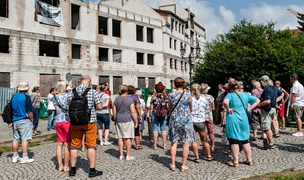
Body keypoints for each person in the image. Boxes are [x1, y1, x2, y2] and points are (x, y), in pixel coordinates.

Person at [67, 75, 103, 177]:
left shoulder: (72, 92)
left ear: (80, 81)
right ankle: (92, 171)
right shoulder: (92, 91)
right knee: (91, 145)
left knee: (74, 145)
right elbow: (99, 106)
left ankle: (72, 170)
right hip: (90, 122)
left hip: (75, 122)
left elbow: (67, 106)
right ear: (89, 81)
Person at [223, 80, 260, 167]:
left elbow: (225, 102)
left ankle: (235, 161)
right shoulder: (246, 94)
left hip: (233, 119)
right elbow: (258, 100)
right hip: (243, 118)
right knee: (245, 140)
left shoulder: (230, 95)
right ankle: (249, 160)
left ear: (230, 88)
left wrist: (228, 109)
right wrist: (249, 108)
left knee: (234, 140)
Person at [168, 77, 196, 172]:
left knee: (174, 142)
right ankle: (183, 165)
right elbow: (191, 108)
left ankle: (173, 164)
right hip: (186, 120)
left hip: (175, 120)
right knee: (186, 142)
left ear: (174, 84)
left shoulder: (171, 95)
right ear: (183, 84)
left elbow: (169, 108)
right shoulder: (188, 95)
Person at [113, 84, 138, 160]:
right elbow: (133, 112)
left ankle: (121, 154)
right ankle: (128, 155)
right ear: (127, 90)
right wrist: (136, 121)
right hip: (128, 119)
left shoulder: (116, 99)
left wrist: (115, 119)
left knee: (120, 137)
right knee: (128, 137)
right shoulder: (130, 100)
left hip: (119, 119)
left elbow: (114, 111)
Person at [11, 82, 35, 164]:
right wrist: (32, 119)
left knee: (15, 138)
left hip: (15, 119)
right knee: (25, 139)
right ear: (26, 89)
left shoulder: (14, 96)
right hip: (24, 119)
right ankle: (25, 157)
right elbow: (29, 111)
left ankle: (15, 156)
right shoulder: (26, 97)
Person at [258, 75, 283, 150]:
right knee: (267, 125)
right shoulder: (275, 88)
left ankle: (271, 143)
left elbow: (267, 101)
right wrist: (275, 101)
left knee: (266, 127)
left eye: (261, 81)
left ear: (263, 81)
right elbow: (282, 94)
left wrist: (259, 105)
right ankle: (265, 139)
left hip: (267, 110)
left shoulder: (267, 90)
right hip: (273, 109)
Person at [53, 80, 71, 172]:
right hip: (66, 121)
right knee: (67, 144)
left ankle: (59, 165)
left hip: (58, 121)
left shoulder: (54, 97)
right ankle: (66, 165)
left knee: (59, 144)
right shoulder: (67, 96)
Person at [191, 83, 211, 162]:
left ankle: (197, 157)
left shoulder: (190, 98)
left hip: (192, 120)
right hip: (201, 120)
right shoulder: (204, 99)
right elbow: (207, 109)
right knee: (204, 140)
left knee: (194, 140)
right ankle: (209, 156)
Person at [149, 83, 169, 150]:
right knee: (163, 130)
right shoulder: (165, 97)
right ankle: (164, 144)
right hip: (163, 114)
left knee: (155, 130)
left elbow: (151, 108)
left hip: (155, 114)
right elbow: (167, 107)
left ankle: (155, 145)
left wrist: (150, 116)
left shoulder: (153, 97)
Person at [201, 83, 216, 152]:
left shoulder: (198, 97)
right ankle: (213, 145)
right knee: (211, 131)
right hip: (209, 116)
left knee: (203, 132)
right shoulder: (210, 97)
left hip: (201, 117)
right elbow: (213, 108)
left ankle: (205, 147)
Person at [127, 85, 142, 150]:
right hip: (134, 114)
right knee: (136, 130)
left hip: (126, 115)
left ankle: (125, 145)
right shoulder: (135, 97)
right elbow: (138, 107)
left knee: (126, 131)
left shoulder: (125, 96)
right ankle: (137, 144)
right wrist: (140, 115)